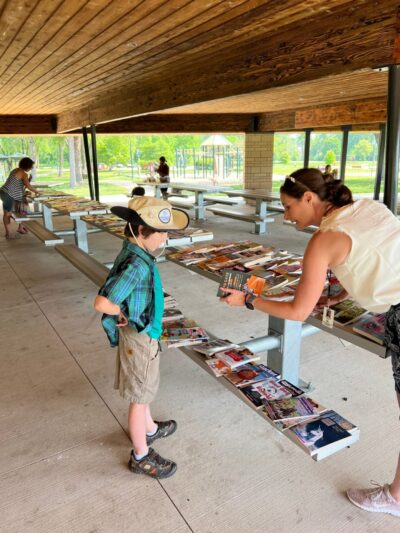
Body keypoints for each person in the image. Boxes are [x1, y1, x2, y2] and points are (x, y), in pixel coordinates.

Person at [221, 167, 400, 518]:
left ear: (309, 198)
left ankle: (396, 498)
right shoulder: (369, 209)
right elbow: (373, 254)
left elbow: (298, 311)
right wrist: (335, 296)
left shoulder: (323, 240)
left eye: (289, 208)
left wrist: (247, 301)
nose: (286, 217)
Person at [94, 196, 189, 479]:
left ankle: (149, 429)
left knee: (145, 388)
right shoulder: (136, 263)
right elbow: (102, 303)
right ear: (141, 231)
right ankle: (141, 455)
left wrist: (123, 310)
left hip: (144, 334)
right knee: (139, 396)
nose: (165, 238)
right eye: (162, 232)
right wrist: (119, 310)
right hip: (139, 338)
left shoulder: (136, 252)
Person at [0, 157, 39, 239]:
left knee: (16, 209)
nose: (31, 168)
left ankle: (20, 228)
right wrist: (37, 192)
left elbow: (14, 185)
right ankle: (9, 234)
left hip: (4, 192)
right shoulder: (24, 174)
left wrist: (24, 192)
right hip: (8, 194)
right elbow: (29, 186)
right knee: (7, 213)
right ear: (28, 166)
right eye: (31, 166)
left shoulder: (16, 170)